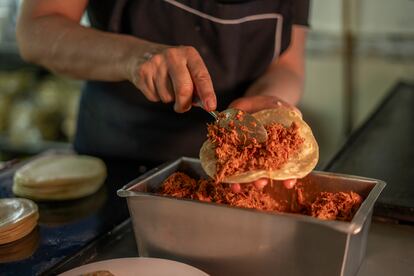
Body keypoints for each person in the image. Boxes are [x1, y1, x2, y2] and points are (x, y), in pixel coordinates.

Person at [16, 0, 310, 189]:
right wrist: (133, 57)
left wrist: (267, 103)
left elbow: (287, 65)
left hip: (226, 177)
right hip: (114, 161)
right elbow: (35, 29)